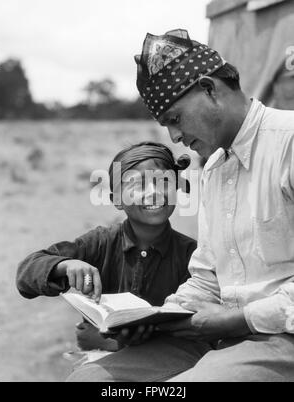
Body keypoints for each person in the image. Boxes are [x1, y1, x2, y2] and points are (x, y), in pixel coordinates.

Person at [66, 29, 294, 382]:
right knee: (89, 380)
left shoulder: (288, 144)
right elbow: (207, 275)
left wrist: (239, 318)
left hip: (280, 337)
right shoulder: (215, 169)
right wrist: (159, 317)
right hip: (214, 336)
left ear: (209, 89)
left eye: (175, 119)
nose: (174, 138)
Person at [16, 141, 198, 353]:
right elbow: (26, 275)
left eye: (163, 181)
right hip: (102, 362)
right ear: (117, 199)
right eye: (138, 184)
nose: (153, 192)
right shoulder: (100, 243)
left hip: (170, 363)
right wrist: (66, 265)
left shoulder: (192, 255)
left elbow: (197, 328)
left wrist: (114, 343)